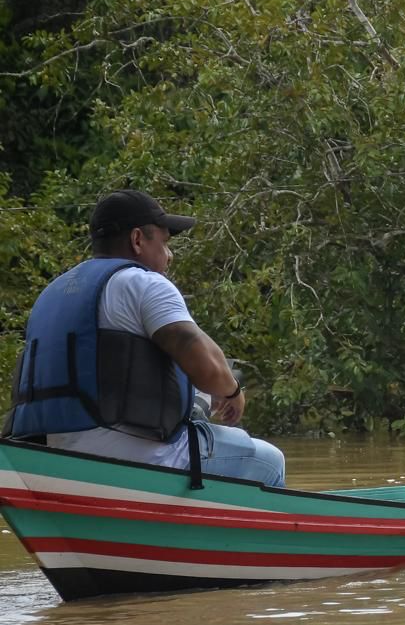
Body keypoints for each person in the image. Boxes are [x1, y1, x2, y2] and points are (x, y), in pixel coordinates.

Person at [5, 189, 286, 486]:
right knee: (269, 461)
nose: (170, 255)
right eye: (164, 242)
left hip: (46, 459)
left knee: (197, 407)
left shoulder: (51, 294)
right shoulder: (144, 282)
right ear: (138, 240)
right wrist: (232, 391)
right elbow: (208, 369)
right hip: (126, 456)